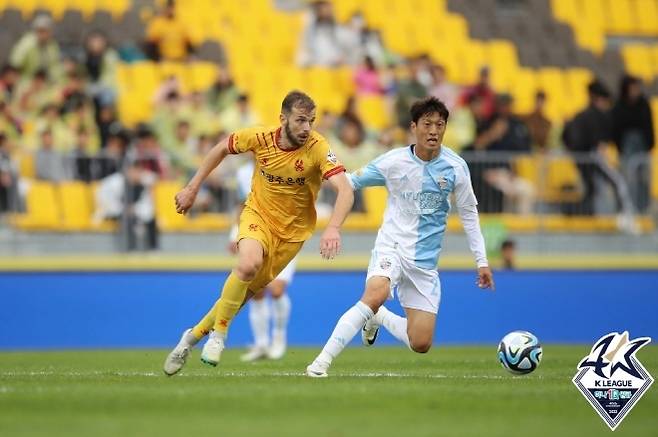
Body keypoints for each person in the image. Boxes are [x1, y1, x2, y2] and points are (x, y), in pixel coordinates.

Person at [163, 90, 354, 375]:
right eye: (300, 120)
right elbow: (220, 149)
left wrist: (334, 228)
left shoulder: (317, 147)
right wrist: (192, 187)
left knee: (241, 296)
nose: (306, 128)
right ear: (283, 119)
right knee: (247, 264)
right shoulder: (260, 137)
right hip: (257, 216)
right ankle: (219, 336)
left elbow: (345, 189)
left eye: (310, 121)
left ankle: (190, 339)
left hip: (292, 235)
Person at [306, 96, 495, 378]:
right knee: (375, 293)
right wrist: (318, 183)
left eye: (439, 125)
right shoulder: (393, 161)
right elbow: (349, 183)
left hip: (424, 262)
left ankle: (378, 316)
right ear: (414, 127)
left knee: (420, 343)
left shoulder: (456, 168)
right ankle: (321, 362)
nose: (433, 131)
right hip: (391, 247)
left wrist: (482, 261)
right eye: (427, 124)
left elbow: (469, 213)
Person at [230, 161, 296, 362]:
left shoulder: (286, 166)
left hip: (285, 235)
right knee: (256, 291)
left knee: (276, 289)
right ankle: (261, 344)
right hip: (257, 235)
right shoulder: (243, 172)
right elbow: (243, 204)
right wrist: (234, 235)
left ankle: (279, 338)